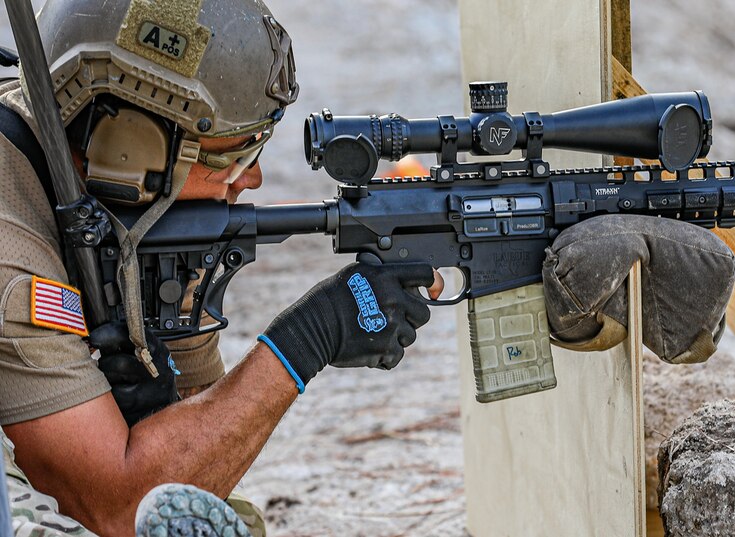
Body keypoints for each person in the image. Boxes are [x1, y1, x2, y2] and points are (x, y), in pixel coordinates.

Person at [0, 1, 439, 535]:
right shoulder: (11, 246)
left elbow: (199, 456)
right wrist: (310, 336)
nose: (250, 181)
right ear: (130, 149)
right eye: (234, 158)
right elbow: (119, 510)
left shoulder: (115, 200)